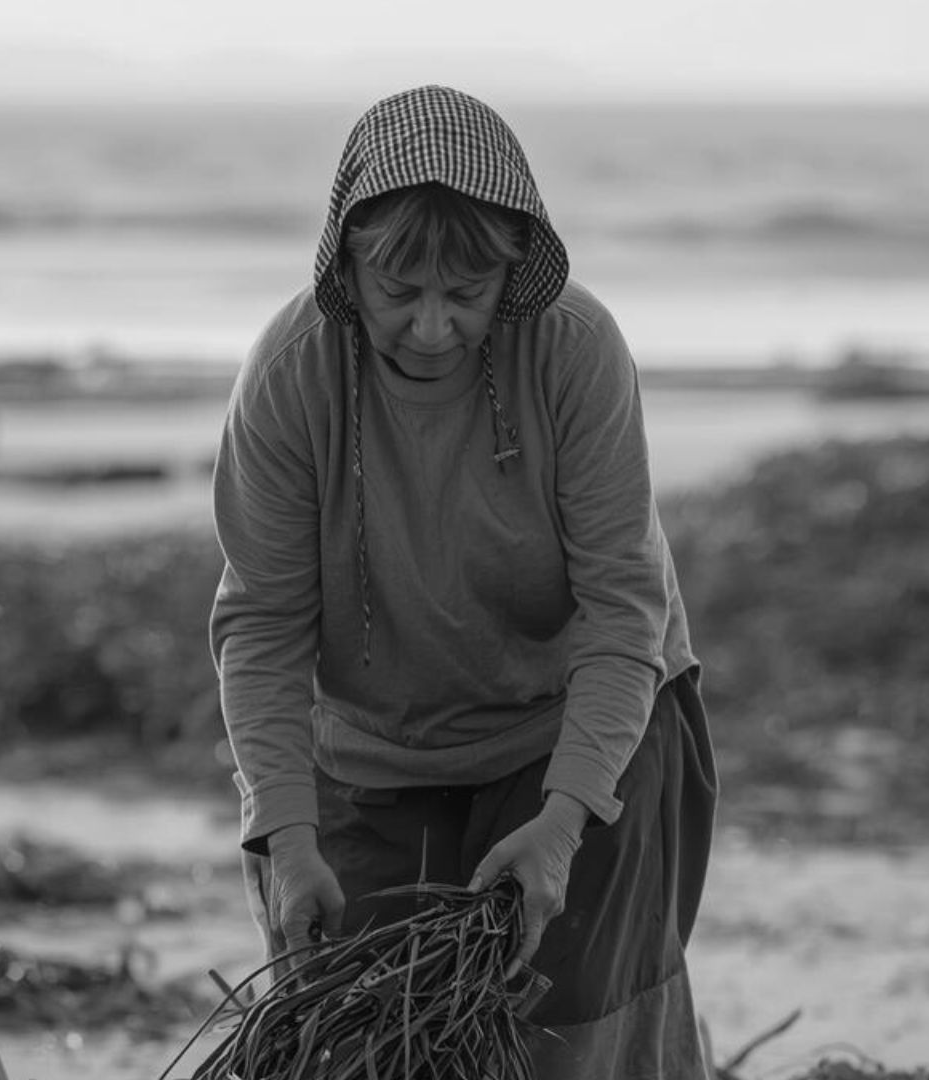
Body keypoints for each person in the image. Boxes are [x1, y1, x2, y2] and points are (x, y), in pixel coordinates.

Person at [210, 84, 718, 1078]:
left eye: (467, 293)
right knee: (351, 1034)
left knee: (568, 1033)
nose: (435, 327)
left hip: (581, 721)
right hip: (368, 745)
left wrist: (565, 824)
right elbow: (261, 626)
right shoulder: (289, 376)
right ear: (346, 267)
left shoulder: (576, 352)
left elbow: (625, 612)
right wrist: (287, 832)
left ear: (514, 274)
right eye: (400, 292)